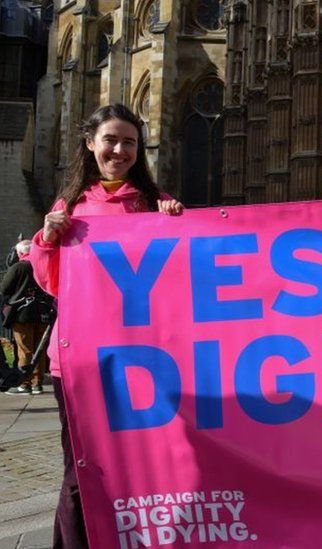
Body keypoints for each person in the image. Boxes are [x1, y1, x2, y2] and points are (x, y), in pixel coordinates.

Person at [29, 104, 183, 548]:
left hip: (143, 358)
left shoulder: (154, 204)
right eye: (111, 140)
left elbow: (178, 280)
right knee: (80, 468)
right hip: (79, 360)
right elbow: (51, 283)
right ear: (90, 144)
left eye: (129, 142)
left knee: (138, 465)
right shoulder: (70, 206)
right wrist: (48, 240)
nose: (120, 150)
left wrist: (179, 224)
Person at [0, 240, 53, 394]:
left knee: (25, 349)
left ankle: (24, 384)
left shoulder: (19, 266)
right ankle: (37, 383)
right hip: (43, 312)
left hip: (22, 314)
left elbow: (4, 288)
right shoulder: (43, 265)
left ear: (20, 253)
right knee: (39, 350)